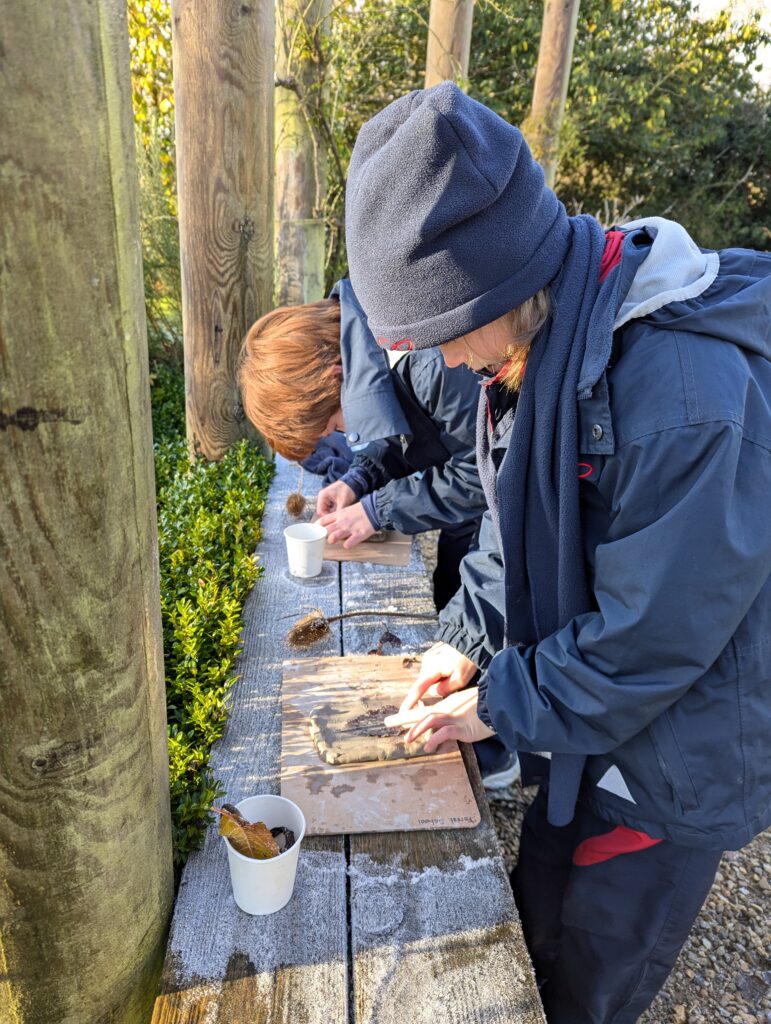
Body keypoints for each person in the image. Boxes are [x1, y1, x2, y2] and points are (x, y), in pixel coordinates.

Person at [344, 81, 771, 1024]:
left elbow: (649, 641)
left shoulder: (683, 399)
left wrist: (494, 700)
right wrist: (468, 638)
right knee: (538, 900)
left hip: (674, 757)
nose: (444, 367)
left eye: (440, 338)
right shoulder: (536, 344)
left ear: (494, 286)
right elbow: (510, 522)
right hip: (591, 719)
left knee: (586, 972)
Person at [237, 278, 519, 789]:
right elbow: (402, 428)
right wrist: (358, 479)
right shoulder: (373, 350)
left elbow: (485, 474)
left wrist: (377, 509)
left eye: (331, 425)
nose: (340, 435)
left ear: (334, 376)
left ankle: (500, 744)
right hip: (481, 509)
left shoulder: (435, 364)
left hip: (501, 515)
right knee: (456, 601)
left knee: (481, 601)